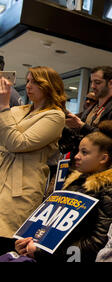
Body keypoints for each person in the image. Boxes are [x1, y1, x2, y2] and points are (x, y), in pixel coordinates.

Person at [14, 120, 112, 262]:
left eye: (84, 152)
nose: (77, 156)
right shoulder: (75, 181)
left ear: (103, 158)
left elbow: (98, 243)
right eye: (78, 150)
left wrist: (43, 252)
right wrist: (27, 241)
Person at [0, 66, 66, 241]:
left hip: (21, 186)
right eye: (28, 81)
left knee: (8, 239)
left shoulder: (55, 116)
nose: (28, 86)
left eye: (35, 82)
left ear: (48, 86)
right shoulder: (18, 110)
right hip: (2, 174)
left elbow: (17, 143)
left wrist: (4, 106)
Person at [60, 66, 112, 164]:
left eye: (97, 82)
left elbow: (110, 140)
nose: (93, 86)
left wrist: (82, 126)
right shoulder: (92, 107)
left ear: (111, 83)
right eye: (92, 82)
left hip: (99, 165)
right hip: (79, 161)